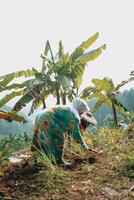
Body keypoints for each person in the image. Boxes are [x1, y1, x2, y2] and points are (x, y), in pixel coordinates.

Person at [31, 98, 97, 166]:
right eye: (82, 112)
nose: (82, 114)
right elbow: (76, 134)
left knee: (40, 138)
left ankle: (36, 160)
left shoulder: (68, 109)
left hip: (40, 115)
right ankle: (58, 161)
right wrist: (84, 146)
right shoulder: (74, 117)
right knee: (58, 139)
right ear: (80, 110)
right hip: (48, 118)